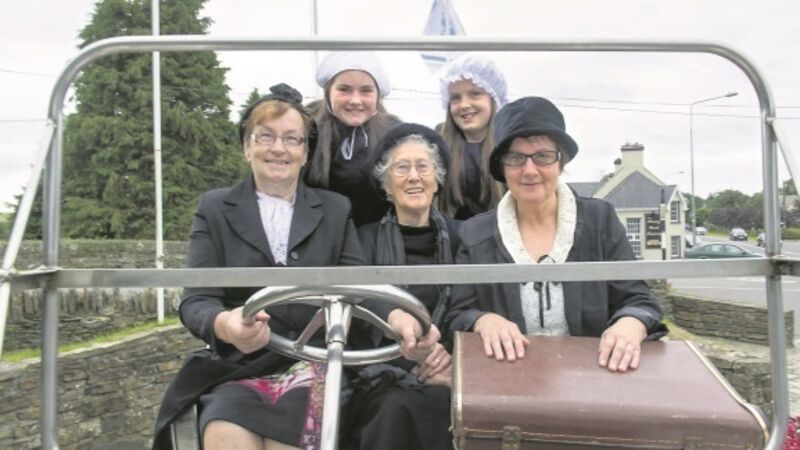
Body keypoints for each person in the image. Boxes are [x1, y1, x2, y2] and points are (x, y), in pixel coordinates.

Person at [153, 83, 367, 450]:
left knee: (290, 437)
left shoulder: (336, 209)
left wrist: (400, 318)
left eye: (292, 139)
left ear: (305, 152)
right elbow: (197, 300)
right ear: (246, 147)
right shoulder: (214, 209)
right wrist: (227, 324)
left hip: (315, 362)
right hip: (240, 364)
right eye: (265, 136)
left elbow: (359, 290)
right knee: (223, 431)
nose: (278, 148)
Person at [445, 96, 667, 372]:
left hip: (593, 378)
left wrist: (630, 324)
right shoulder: (474, 233)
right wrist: (483, 321)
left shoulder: (601, 220)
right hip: (507, 380)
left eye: (543, 156)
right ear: (502, 167)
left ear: (561, 163)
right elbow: (457, 314)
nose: (529, 170)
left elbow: (639, 300)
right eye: (515, 158)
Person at [345, 123, 460, 450]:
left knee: (447, 406)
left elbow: (470, 304)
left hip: (449, 368)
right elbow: (359, 301)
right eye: (401, 168)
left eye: (423, 167)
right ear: (386, 185)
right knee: (394, 408)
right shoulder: (362, 240)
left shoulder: (465, 237)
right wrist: (406, 351)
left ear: (437, 180)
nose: (413, 177)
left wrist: (450, 360)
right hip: (382, 373)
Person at [305, 51, 401, 227]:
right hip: (320, 232)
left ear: (378, 95)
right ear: (328, 92)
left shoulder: (394, 133)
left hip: (378, 234)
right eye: (344, 89)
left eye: (366, 90)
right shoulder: (307, 128)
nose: (355, 100)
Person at [437, 53, 508, 220]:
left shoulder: (510, 148)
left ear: (493, 98)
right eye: (455, 98)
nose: (464, 105)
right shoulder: (437, 148)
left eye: (475, 94)